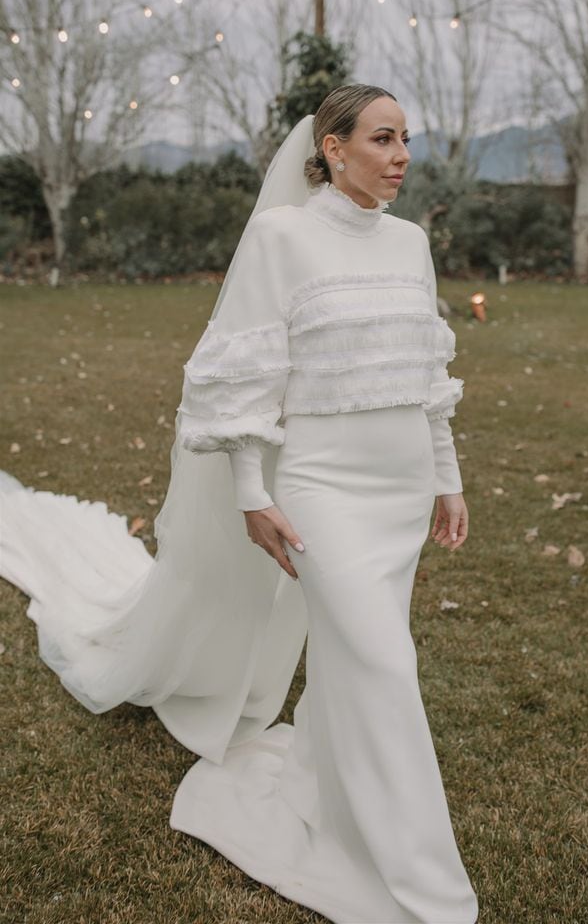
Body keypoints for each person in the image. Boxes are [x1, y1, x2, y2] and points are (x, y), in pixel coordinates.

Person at [0, 83, 478, 923]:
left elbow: (425, 375)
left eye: (407, 139)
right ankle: (421, 885)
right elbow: (244, 374)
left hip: (402, 491)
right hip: (323, 488)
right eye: (383, 138)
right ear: (332, 148)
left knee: (352, 662)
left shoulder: (410, 244)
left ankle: (332, 797)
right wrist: (253, 494)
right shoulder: (281, 234)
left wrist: (447, 476)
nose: (402, 155)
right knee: (385, 664)